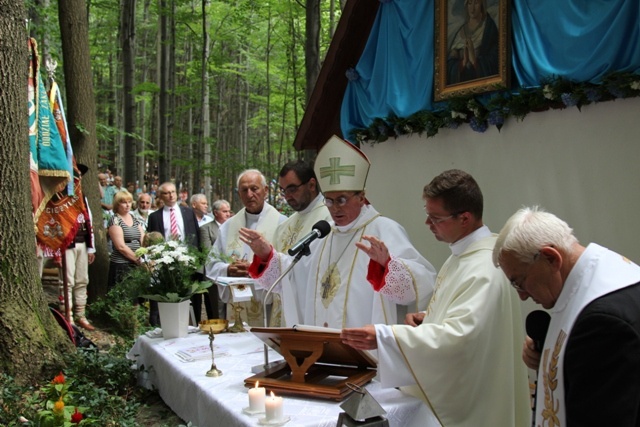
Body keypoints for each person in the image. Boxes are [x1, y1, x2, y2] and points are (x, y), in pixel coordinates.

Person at [341, 169, 529, 427]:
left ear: (464, 218)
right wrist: (430, 318)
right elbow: (472, 320)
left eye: (435, 218)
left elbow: (460, 338)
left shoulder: (484, 267)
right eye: (427, 215)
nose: (428, 224)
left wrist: (385, 337)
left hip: (475, 404)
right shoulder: (463, 255)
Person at [243, 135, 436, 328]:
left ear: (361, 197)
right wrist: (266, 254)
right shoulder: (323, 235)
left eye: (342, 200)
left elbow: (422, 284)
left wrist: (388, 265)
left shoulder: (384, 229)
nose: (334, 208)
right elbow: (295, 277)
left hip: (365, 349)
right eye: (329, 200)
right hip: (324, 347)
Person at [493, 206, 640, 427]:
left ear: (551, 258)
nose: (522, 296)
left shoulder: (601, 324)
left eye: (519, 282)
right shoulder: (613, 277)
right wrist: (550, 354)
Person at [204, 169, 286, 326]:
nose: (249, 194)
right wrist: (228, 269)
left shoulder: (282, 224)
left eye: (254, 189)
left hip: (268, 305)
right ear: (239, 194)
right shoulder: (228, 226)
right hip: (237, 305)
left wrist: (255, 268)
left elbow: (286, 265)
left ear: (266, 191)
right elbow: (211, 264)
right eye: (244, 190)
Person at [268, 160, 331, 326]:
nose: (287, 196)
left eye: (292, 189)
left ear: (311, 184)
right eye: (283, 191)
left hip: (309, 310)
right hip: (283, 312)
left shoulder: (330, 219)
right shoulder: (284, 227)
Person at [147, 182, 201, 325]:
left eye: (173, 192)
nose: (171, 195)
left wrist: (197, 259)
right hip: (166, 263)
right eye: (166, 193)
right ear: (160, 196)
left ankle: (193, 324)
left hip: (187, 261)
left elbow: (196, 236)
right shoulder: (154, 217)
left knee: (191, 296)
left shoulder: (188, 213)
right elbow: (152, 242)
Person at [447, 0, 499, 84]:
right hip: (462, 86)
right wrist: (462, 63)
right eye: (469, 3)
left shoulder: (488, 28)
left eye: (476, 3)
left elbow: (495, 61)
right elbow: (449, 65)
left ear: (482, 4)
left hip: (483, 86)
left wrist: (475, 61)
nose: (472, 8)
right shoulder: (461, 30)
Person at [200, 199, 232, 319]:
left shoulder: (232, 227)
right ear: (215, 213)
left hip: (232, 273)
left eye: (229, 211)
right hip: (215, 274)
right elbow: (208, 252)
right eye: (225, 211)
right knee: (218, 309)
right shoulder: (206, 228)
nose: (228, 214)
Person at [107, 190, 144, 290]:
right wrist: (138, 260)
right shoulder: (115, 219)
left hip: (137, 263)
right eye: (124, 202)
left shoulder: (135, 218)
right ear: (117, 204)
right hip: (121, 264)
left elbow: (143, 238)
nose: (127, 205)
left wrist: (144, 257)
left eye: (129, 202)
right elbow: (121, 246)